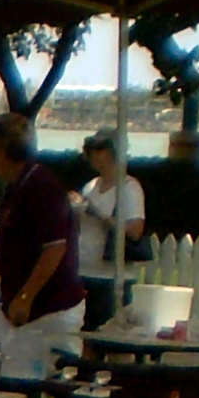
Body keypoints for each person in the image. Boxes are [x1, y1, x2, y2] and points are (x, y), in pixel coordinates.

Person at [0, 112, 85, 383]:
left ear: (5, 151)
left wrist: (26, 296)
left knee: (33, 383)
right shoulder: (18, 187)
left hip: (48, 310)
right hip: (22, 309)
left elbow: (55, 248)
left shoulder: (42, 188)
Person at [75, 128, 147, 328]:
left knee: (111, 335)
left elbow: (134, 230)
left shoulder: (129, 188)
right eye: (92, 149)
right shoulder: (90, 186)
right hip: (84, 271)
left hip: (112, 278)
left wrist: (99, 215)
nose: (95, 155)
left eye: (101, 149)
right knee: (85, 335)